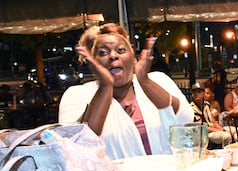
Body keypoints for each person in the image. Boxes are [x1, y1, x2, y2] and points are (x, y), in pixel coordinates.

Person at [59, 24, 193, 160]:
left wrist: (145, 82)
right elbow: (76, 147)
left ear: (133, 58)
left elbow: (185, 119)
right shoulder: (77, 95)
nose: (113, 56)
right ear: (93, 62)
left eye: (121, 50)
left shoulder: (158, 80)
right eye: (103, 53)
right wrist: (105, 87)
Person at [189, 82, 233, 147]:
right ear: (192, 94)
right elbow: (203, 127)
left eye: (199, 92)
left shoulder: (206, 104)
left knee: (233, 130)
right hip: (203, 133)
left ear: (203, 93)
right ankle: (227, 152)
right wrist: (221, 131)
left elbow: (213, 121)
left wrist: (222, 129)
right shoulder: (191, 108)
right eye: (194, 92)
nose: (197, 94)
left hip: (211, 129)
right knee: (226, 136)